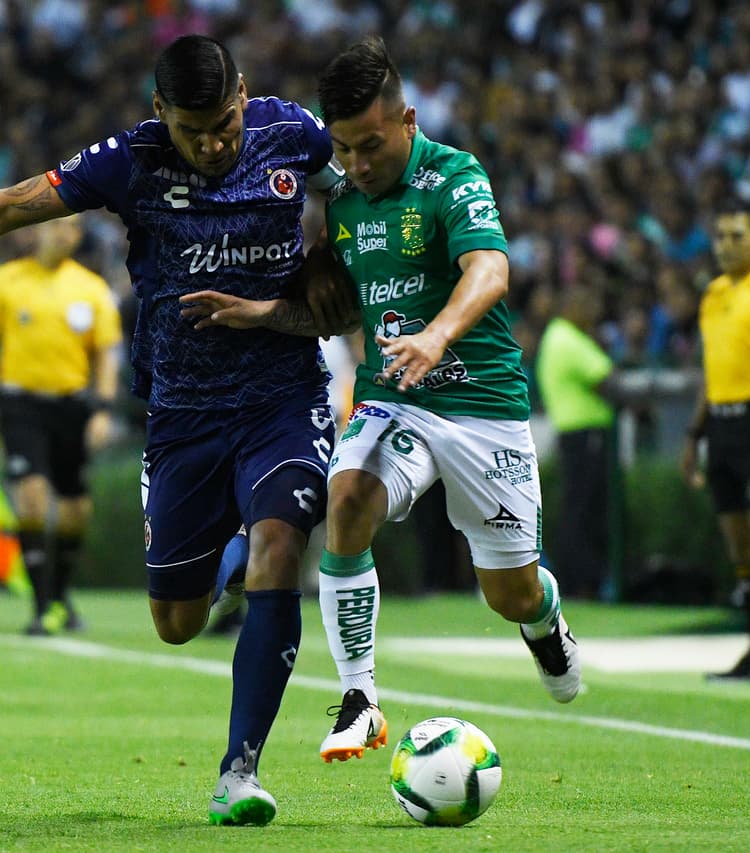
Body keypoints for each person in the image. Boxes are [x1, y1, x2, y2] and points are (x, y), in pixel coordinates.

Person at [0, 34, 339, 827]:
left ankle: (241, 769)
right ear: (161, 112)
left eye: (224, 123)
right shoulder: (131, 160)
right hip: (184, 414)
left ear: (244, 95)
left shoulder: (292, 133)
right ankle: (227, 556)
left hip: (282, 395)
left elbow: (366, 184)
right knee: (177, 621)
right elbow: (6, 205)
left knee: (281, 546)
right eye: (193, 130)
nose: (213, 143)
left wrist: (342, 263)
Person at [178, 37, 583, 763]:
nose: (358, 165)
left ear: (409, 121)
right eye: (344, 149)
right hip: (393, 399)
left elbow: (490, 269)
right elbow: (338, 314)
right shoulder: (342, 204)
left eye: (371, 145)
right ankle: (361, 697)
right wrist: (265, 312)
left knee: (511, 594)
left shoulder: (453, 175)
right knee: (349, 495)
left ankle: (544, 621)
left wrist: (436, 335)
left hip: (481, 406)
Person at [0, 216, 121, 635]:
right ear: (36, 229)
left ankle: (59, 596)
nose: (66, 234)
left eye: (74, 228)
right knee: (33, 498)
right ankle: (41, 608)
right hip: (19, 402)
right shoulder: (6, 280)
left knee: (75, 510)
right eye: (58, 225)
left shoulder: (90, 288)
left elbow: (106, 353)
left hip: (71, 406)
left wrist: (104, 408)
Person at [682, 203, 750, 680]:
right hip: (722, 427)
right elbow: (712, 370)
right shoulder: (712, 294)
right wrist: (694, 434)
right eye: (721, 236)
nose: (727, 245)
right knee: (741, 551)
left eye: (738, 235)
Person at [536, 284, 618, 601]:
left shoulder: (559, 336)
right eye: (587, 305)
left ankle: (578, 580)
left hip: (576, 436)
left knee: (579, 509)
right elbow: (606, 378)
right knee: (584, 512)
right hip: (585, 435)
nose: (594, 313)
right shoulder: (567, 338)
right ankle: (583, 582)